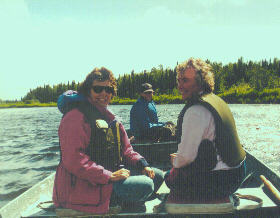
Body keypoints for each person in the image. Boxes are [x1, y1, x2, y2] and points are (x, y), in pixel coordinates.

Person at [53, 67, 164, 214]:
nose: (104, 93)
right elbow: (74, 160)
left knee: (157, 176)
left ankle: (123, 203)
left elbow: (127, 149)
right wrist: (109, 176)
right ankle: (118, 202)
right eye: (98, 89)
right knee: (146, 186)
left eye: (109, 89)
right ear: (88, 91)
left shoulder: (110, 118)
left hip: (105, 180)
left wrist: (142, 164)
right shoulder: (75, 117)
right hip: (81, 188)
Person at [164, 58, 247, 200]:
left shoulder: (195, 111)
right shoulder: (215, 99)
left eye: (185, 81)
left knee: (167, 177)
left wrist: (175, 161)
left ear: (200, 82)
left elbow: (186, 158)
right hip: (239, 173)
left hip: (220, 182)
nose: (180, 86)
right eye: (179, 80)